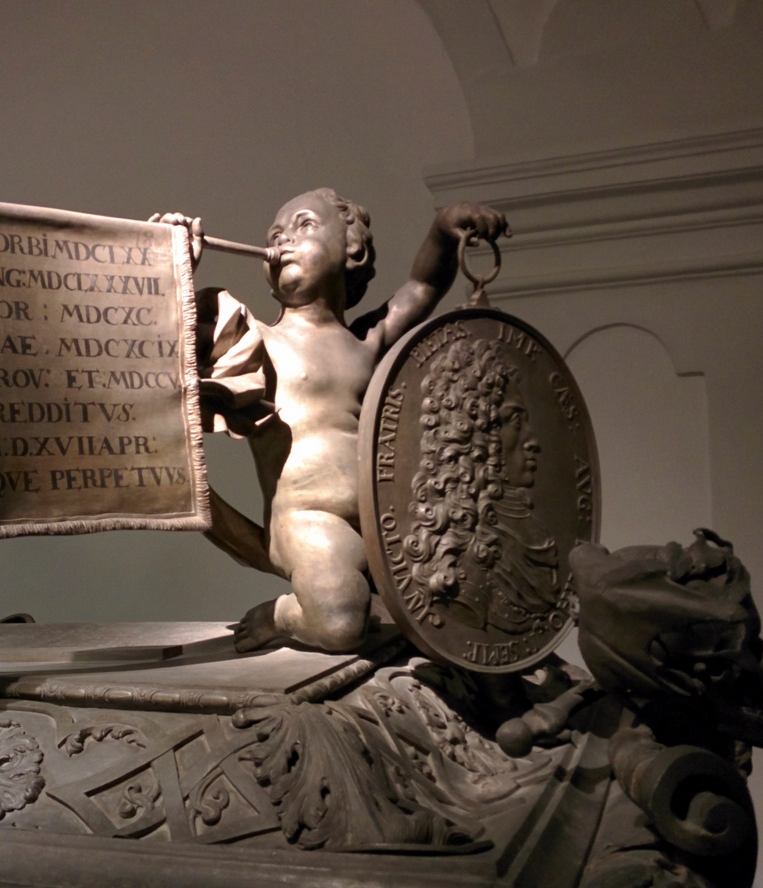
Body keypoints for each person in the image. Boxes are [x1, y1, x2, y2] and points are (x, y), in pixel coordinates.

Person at [155, 190, 506, 652]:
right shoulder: (254, 340)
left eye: (303, 226)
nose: (282, 242)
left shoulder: (366, 341)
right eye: (274, 236)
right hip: (308, 521)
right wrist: (169, 268)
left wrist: (445, 227)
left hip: (387, 523)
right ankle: (282, 615)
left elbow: (422, 286)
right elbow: (159, 358)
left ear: (351, 248)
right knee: (339, 623)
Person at [404, 338, 560, 633]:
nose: (532, 441)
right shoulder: (462, 577)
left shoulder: (531, 537)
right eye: (515, 422)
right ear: (479, 435)